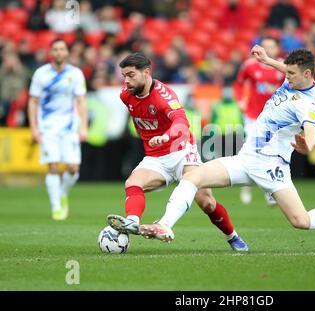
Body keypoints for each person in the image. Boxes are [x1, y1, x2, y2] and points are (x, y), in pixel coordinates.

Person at [138, 47, 315, 243]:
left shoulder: (308, 104)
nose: (286, 77)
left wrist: (308, 146)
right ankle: (164, 225)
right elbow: (286, 67)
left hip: (272, 168)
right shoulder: (295, 79)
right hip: (246, 160)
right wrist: (267, 60)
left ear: (307, 75)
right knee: (191, 178)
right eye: (287, 72)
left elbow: (312, 131)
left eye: (291, 74)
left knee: (301, 221)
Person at [106, 53, 248, 252]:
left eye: (131, 75)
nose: (126, 81)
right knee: (132, 183)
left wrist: (166, 136)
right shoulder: (126, 95)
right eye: (124, 76)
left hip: (181, 150)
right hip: (155, 156)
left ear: (146, 73)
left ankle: (232, 236)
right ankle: (132, 222)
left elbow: (181, 121)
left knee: (206, 202)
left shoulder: (164, 96)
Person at [28, 38, 88, 220]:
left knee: (73, 169)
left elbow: (81, 101)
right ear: (51, 52)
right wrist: (34, 128)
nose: (59, 52)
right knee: (53, 166)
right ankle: (56, 206)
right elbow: (33, 101)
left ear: (67, 52)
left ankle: (62, 194)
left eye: (62, 49)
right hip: (48, 127)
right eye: (55, 49)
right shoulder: (41, 74)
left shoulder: (76, 74)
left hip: (70, 126)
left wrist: (84, 126)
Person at [234, 36, 285, 205]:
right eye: (266, 46)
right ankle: (245, 187)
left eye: (272, 46)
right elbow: (239, 83)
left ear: (277, 49)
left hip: (274, 117)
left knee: (271, 153)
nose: (269, 49)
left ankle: (270, 192)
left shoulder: (282, 66)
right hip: (253, 116)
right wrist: (241, 99)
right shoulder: (250, 66)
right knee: (251, 150)